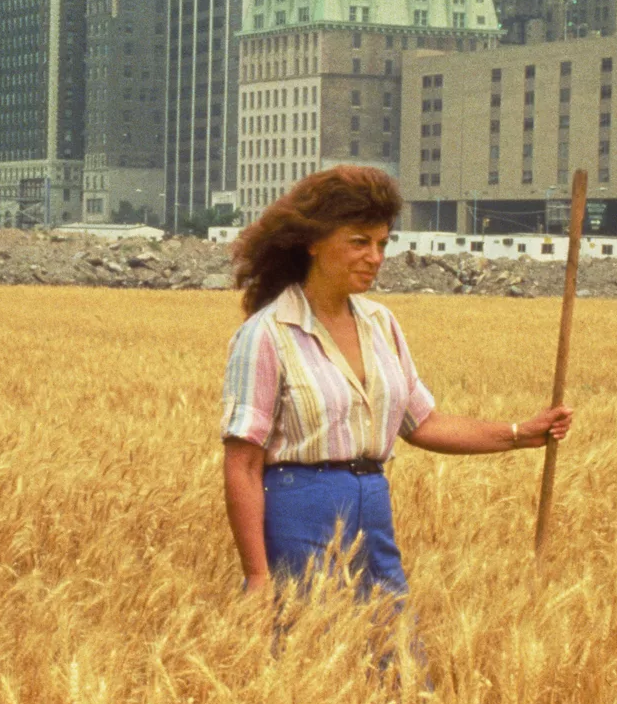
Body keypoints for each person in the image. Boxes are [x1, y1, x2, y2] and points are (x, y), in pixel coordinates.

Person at [219, 166, 574, 615]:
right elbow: (243, 463)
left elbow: (424, 423)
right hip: (298, 508)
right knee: (308, 653)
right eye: (359, 241)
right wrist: (257, 575)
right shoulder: (267, 334)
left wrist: (524, 433)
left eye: (382, 243)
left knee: (395, 656)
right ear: (312, 241)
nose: (375, 256)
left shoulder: (381, 324)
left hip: (373, 506)